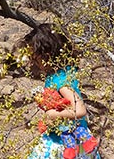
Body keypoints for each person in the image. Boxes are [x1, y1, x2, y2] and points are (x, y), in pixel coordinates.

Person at [19, 23, 99, 159]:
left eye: (36, 58)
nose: (34, 62)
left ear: (46, 56)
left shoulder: (61, 82)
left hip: (65, 139)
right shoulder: (60, 74)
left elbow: (80, 111)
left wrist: (53, 114)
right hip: (63, 132)